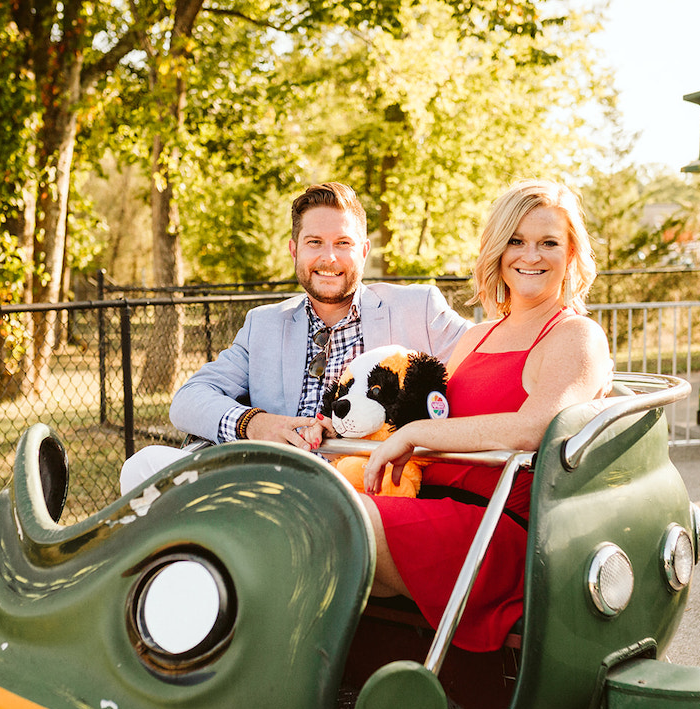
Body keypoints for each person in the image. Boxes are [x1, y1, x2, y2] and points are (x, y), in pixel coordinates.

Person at [352, 179, 614, 653]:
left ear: (570, 254)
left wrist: (416, 433)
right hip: (431, 503)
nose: (530, 256)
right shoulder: (477, 337)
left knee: (337, 520)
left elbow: (536, 428)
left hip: (495, 529)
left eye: (548, 243)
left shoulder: (576, 336)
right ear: (497, 249)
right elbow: (430, 411)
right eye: (516, 240)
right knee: (305, 504)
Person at [119, 182, 470, 494]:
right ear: (294, 251)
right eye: (314, 242)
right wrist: (254, 423)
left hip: (361, 489)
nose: (329, 257)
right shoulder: (264, 324)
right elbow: (188, 399)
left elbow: (490, 359)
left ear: (363, 252)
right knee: (143, 466)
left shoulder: (417, 307)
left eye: (343, 243)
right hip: (267, 483)